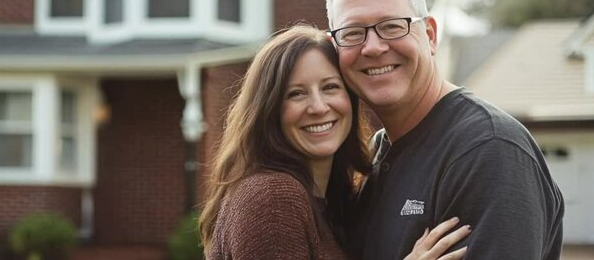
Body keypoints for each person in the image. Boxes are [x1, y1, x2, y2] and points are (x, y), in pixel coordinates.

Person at [325, 0, 565, 260]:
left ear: (430, 35)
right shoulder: (374, 154)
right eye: (352, 33)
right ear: (335, 48)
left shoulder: (487, 150)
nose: (372, 47)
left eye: (391, 26)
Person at [198, 25, 471, 259]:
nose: (318, 107)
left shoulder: (330, 201)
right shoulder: (273, 197)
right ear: (270, 111)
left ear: (350, 99)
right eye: (296, 94)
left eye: (330, 87)